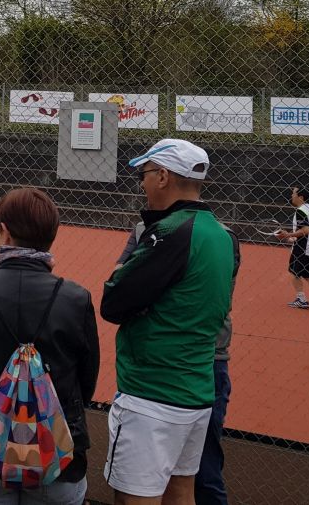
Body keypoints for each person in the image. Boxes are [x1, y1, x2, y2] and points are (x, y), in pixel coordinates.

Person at [0, 187, 100, 505]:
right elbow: (86, 382)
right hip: (56, 456)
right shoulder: (76, 298)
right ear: (51, 236)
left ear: (3, 232)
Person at [100, 138, 236, 505]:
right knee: (181, 491)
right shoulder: (222, 235)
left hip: (152, 393)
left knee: (135, 498)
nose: (141, 184)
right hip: (196, 390)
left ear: (162, 176)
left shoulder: (170, 232)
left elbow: (113, 302)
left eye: (144, 175)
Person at [116, 219, 241, 505]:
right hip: (157, 364)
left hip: (200, 360)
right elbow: (118, 285)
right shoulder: (144, 229)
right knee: (146, 477)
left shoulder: (223, 237)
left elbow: (217, 297)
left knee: (201, 471)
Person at [276, 185, 309, 313]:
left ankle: (301, 299)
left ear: (300, 197)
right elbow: (308, 230)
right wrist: (292, 237)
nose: (291, 196)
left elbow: (305, 230)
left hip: (303, 248)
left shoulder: (300, 211)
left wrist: (288, 234)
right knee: (308, 274)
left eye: (294, 194)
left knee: (294, 272)